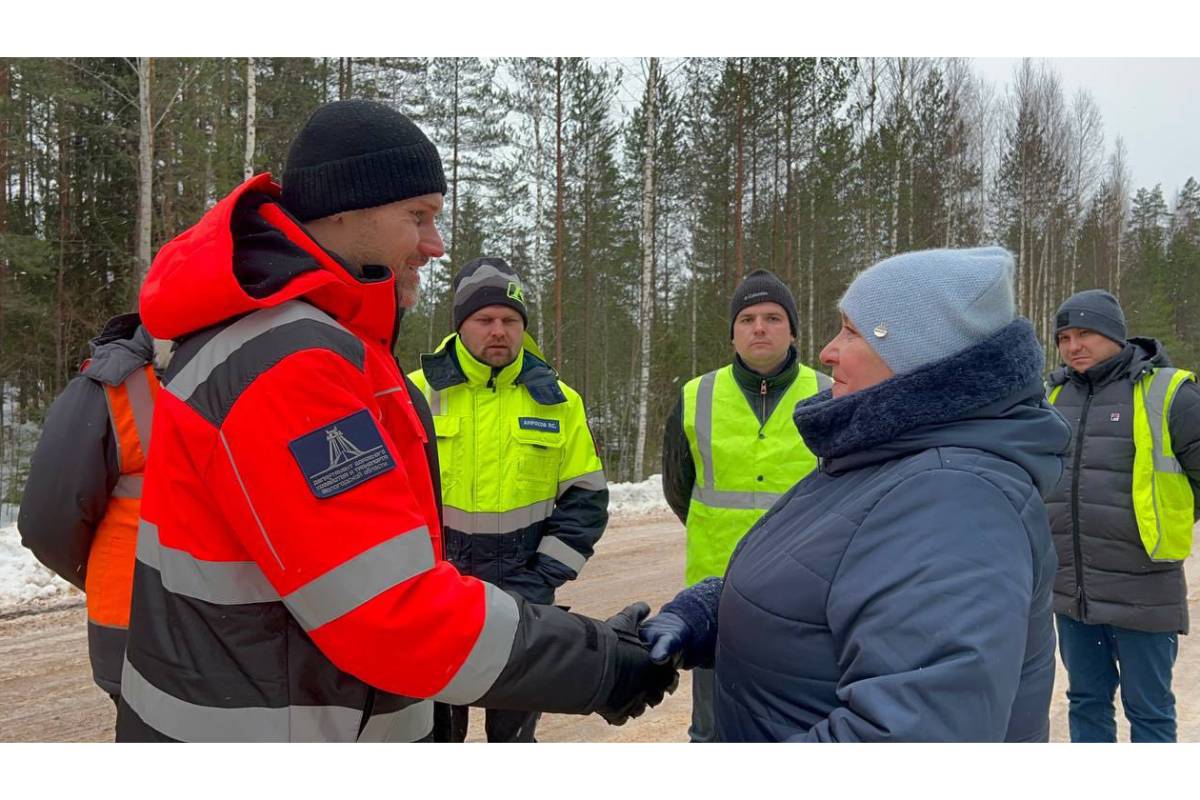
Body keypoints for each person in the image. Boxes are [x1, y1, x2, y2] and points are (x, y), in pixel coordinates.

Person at [117, 99, 675, 742]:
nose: (435, 245)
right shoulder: (292, 364)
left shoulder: (315, 342)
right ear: (343, 209)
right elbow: (390, 612)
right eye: (419, 216)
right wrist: (599, 661)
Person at [642, 247, 1069, 742]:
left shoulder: (955, 503)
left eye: (851, 331)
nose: (828, 351)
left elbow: (906, 742)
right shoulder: (881, 454)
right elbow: (825, 577)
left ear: (914, 352)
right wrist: (711, 611)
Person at [408, 256, 608, 743]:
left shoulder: (559, 401)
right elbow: (390, 499)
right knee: (432, 742)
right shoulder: (414, 394)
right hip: (437, 602)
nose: (498, 331)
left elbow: (585, 501)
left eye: (510, 320)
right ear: (460, 326)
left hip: (524, 604)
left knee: (513, 743)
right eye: (484, 320)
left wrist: (540, 580)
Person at [660, 268, 828, 742]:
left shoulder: (828, 395)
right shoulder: (697, 395)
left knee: (800, 730)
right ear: (732, 333)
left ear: (793, 330)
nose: (759, 327)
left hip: (805, 597)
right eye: (748, 318)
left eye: (773, 317)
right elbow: (680, 487)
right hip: (718, 598)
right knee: (714, 731)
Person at [1044, 289, 1199, 743]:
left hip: (1143, 583)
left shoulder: (1170, 392)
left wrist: (1168, 515)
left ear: (1114, 333)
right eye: (1064, 337)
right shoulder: (1051, 395)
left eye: (1085, 333)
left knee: (1148, 708)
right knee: (1086, 701)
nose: (1074, 346)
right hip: (1072, 588)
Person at [19, 313, 161, 704]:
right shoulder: (114, 384)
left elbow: (45, 524)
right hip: (242, 636)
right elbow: (46, 523)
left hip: (133, 626)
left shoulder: (113, 383)